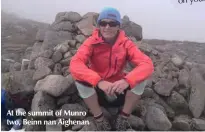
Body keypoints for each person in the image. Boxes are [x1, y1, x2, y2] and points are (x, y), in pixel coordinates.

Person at [69, 7, 154, 131]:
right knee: (79, 79)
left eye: (112, 23)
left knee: (141, 79)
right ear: (99, 25)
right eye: (103, 23)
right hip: (98, 89)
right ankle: (99, 119)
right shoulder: (91, 42)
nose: (107, 27)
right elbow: (75, 64)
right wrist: (98, 81)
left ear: (118, 26)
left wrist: (127, 81)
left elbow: (147, 64)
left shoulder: (126, 44)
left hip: (119, 88)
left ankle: (123, 117)